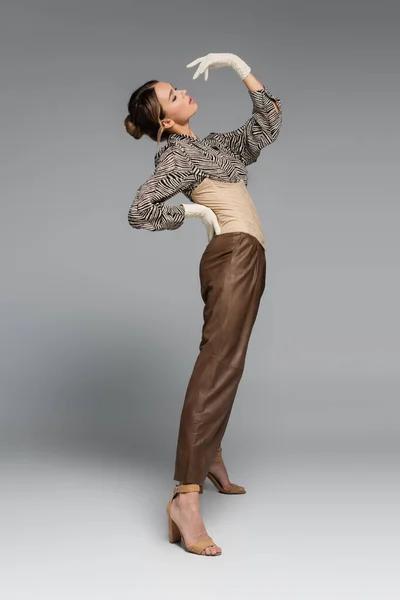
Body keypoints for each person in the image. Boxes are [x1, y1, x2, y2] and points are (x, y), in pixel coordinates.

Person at [124, 52, 283, 556]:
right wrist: (191, 212)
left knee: (226, 362)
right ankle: (184, 499)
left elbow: (268, 122)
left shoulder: (214, 145)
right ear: (166, 121)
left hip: (248, 256)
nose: (185, 92)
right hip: (232, 254)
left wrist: (240, 66)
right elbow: (141, 210)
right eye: (174, 95)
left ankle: (209, 453)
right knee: (217, 364)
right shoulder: (175, 155)